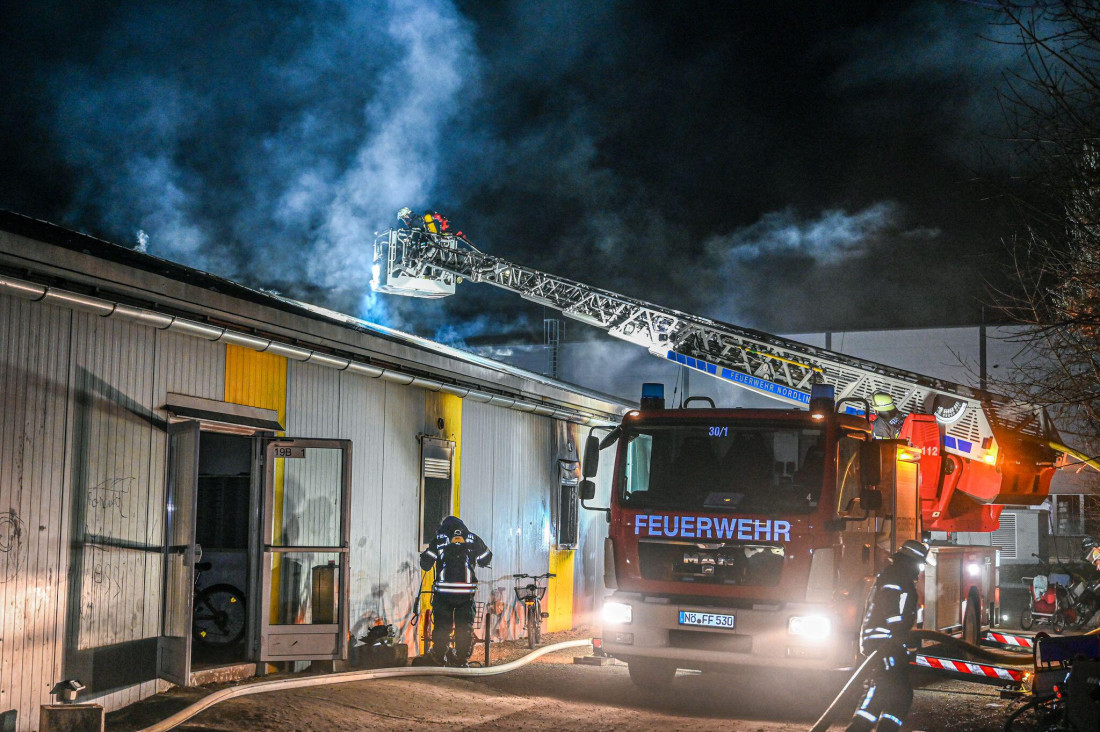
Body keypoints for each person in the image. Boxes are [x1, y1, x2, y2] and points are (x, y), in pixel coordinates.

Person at [846, 539, 932, 732]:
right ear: (909, 561)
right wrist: (899, 632)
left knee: (898, 692)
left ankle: (883, 728)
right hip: (883, 642)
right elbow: (890, 608)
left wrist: (902, 635)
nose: (919, 570)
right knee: (884, 688)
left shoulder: (898, 577)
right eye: (918, 564)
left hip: (889, 641)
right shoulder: (895, 577)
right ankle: (858, 728)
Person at [418, 515, 492, 667]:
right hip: (466, 593)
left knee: (442, 626)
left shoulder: (439, 539)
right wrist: (474, 558)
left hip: (443, 593)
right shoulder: (473, 538)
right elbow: (487, 558)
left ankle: (438, 658)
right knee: (464, 627)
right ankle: (461, 660)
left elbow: (425, 564)